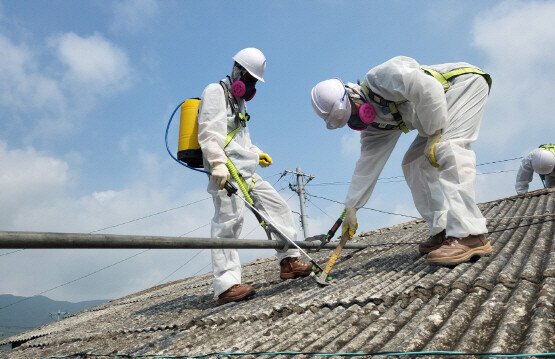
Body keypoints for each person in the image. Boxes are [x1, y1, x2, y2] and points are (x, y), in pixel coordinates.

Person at [311, 56, 493, 266]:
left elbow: (429, 88)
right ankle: (440, 230)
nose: (357, 121)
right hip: (434, 114)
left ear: (352, 94)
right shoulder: (375, 128)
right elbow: (366, 167)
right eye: (350, 121)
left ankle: (471, 234)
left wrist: (435, 134)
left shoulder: (380, 79)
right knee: (413, 163)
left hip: (461, 85)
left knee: (448, 147)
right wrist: (352, 207)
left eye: (352, 115)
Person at [197, 48, 312, 305]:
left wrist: (255, 153)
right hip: (226, 170)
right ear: (236, 70)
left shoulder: (239, 101)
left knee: (278, 207)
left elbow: (241, 139)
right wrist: (217, 164)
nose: (249, 85)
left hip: (246, 170)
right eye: (247, 78)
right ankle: (226, 286)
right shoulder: (215, 92)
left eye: (253, 81)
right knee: (228, 223)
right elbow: (208, 133)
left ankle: (289, 261)